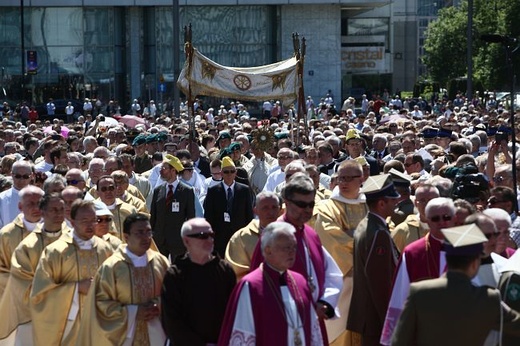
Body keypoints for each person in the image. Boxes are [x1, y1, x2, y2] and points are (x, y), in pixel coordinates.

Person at [391, 224, 520, 345]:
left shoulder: (418, 293)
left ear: (447, 259)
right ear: (475, 262)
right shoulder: (489, 298)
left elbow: (399, 341)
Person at [249, 173, 343, 339]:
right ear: (286, 203)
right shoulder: (273, 236)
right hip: (282, 323)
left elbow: (331, 272)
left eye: (310, 204)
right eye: (301, 204)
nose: (307, 210)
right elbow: (258, 284)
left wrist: (325, 302)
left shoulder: (311, 234)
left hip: (313, 319)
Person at [218, 222, 324, 345]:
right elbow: (244, 334)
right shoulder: (251, 286)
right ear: (268, 250)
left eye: (294, 247)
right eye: (286, 247)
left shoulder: (300, 282)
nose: (292, 252)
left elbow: (314, 333)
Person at [76, 213, 170, 345]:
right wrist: (134, 312)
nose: (146, 237)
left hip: (155, 336)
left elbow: (172, 295)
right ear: (126, 237)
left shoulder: (161, 262)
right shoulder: (112, 267)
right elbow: (100, 305)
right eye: (140, 233)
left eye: (149, 232)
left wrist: (157, 305)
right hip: (124, 338)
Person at [30, 200, 113, 345]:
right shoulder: (55, 252)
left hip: (100, 323)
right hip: (67, 325)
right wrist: (76, 288)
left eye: (94, 220)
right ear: (72, 222)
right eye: (85, 220)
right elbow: (40, 293)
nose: (90, 225)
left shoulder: (105, 249)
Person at [381, 197, 456, 345]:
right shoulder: (413, 252)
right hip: (424, 330)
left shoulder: (468, 247)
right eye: (435, 218)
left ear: (454, 218)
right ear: (427, 221)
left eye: (446, 217)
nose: (442, 222)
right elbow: (400, 295)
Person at [0, 193, 69, 345]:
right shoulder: (27, 246)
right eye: (53, 210)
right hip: (32, 317)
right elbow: (21, 284)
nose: (58, 214)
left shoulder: (74, 241)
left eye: (61, 209)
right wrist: (70, 289)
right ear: (43, 212)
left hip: (70, 315)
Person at [313, 159, 368, 345]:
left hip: (368, 279)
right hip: (344, 278)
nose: (343, 182)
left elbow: (385, 230)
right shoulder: (327, 207)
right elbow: (330, 237)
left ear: (361, 179)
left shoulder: (370, 204)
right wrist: (367, 252)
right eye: (340, 178)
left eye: (348, 178)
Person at [161, 218, 236, 345]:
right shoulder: (174, 275)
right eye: (203, 236)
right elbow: (171, 320)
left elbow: (234, 311)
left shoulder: (225, 271)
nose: (210, 240)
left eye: (212, 235)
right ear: (186, 241)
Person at [347, 174, 401, 345]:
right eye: (393, 200)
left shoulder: (366, 224)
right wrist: (391, 324)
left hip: (369, 317)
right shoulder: (379, 234)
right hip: (376, 321)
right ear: (381, 203)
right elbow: (380, 284)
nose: (396, 203)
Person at [204, 156, 254, 257]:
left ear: (235, 173)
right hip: (220, 237)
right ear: (221, 173)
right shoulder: (213, 191)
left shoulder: (244, 190)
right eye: (226, 172)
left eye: (232, 171)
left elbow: (249, 214)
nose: (229, 174)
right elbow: (209, 215)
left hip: (239, 236)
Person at [225, 191, 282, 280]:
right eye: (265, 208)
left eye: (274, 207)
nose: (270, 212)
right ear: (255, 210)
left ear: (279, 210)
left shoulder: (288, 235)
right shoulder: (241, 237)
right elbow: (235, 271)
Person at [0, 186, 44, 298]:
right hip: (15, 298)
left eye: (39, 203)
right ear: (20, 206)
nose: (36, 208)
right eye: (30, 204)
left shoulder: (57, 231)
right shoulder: (7, 234)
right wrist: (27, 285)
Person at [150, 154, 195, 258]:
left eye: (164, 168)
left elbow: (190, 217)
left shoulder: (187, 191)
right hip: (160, 240)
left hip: (178, 241)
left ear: (173, 170)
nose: (161, 171)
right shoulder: (158, 190)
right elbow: (153, 216)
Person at [0, 160, 34, 228]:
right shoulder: (2, 198)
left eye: (25, 176)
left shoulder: (40, 197)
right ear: (12, 174)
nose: (21, 180)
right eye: (18, 176)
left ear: (32, 176)